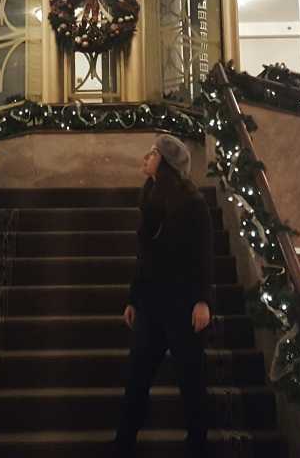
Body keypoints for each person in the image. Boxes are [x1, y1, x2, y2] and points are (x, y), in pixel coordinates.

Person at [113, 134, 214, 457]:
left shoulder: (193, 204)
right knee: (136, 378)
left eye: (153, 153)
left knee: (191, 382)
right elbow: (145, 257)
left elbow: (203, 255)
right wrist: (133, 298)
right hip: (151, 304)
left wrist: (203, 301)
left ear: (167, 164)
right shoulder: (149, 197)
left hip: (183, 305)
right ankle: (124, 443)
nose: (146, 156)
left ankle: (197, 446)